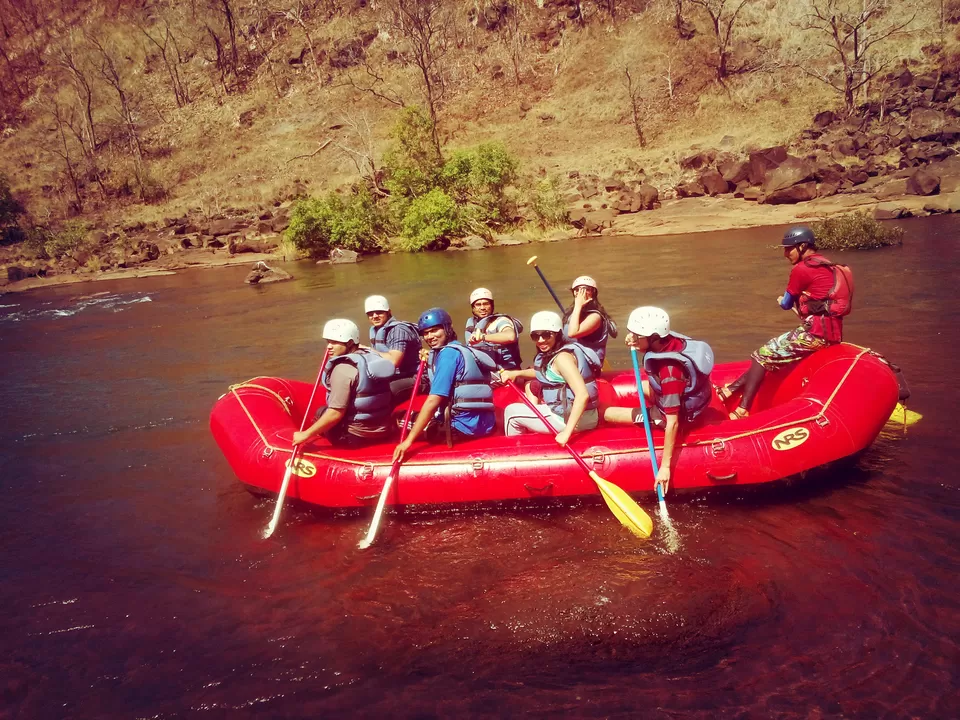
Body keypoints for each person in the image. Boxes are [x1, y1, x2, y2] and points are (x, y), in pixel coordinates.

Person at [719, 226, 853, 420]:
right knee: (771, 355)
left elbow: (786, 304)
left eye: (788, 248)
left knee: (761, 356)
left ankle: (742, 409)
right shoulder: (828, 264)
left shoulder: (802, 269)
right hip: (832, 334)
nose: (785, 254)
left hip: (814, 334)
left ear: (803, 246)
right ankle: (730, 390)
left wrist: (783, 300)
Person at [603, 307, 714, 496]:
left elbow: (672, 423)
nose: (632, 337)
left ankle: (649, 416)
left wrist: (665, 468)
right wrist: (636, 341)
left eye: (637, 335)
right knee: (642, 388)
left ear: (653, 337)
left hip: (675, 416)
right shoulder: (669, 339)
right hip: (683, 396)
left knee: (607, 414)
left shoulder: (669, 372)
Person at [392, 308, 497, 462]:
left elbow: (434, 399)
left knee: (397, 418)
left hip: (457, 429)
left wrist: (408, 442)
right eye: (425, 333)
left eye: (434, 330)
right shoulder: (462, 349)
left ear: (447, 328)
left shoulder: (447, 355)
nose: (430, 336)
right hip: (484, 426)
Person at [499, 310, 601, 445]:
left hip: (572, 420)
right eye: (536, 336)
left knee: (511, 412)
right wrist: (516, 373)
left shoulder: (563, 359)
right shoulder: (556, 354)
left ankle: (517, 455)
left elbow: (582, 395)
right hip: (570, 414)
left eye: (546, 335)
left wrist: (566, 433)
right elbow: (546, 373)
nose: (541, 340)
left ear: (558, 334)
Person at [292, 319, 396, 448]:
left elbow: (336, 413)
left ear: (350, 343)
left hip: (355, 438)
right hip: (383, 431)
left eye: (334, 342)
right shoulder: (374, 357)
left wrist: (305, 435)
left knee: (321, 412)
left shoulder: (342, 369)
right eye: (328, 342)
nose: (329, 346)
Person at [364, 294, 423, 401]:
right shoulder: (376, 330)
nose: (375, 316)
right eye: (370, 314)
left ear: (388, 312)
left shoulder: (398, 330)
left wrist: (368, 350)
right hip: (396, 376)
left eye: (379, 312)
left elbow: (394, 361)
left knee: (384, 391)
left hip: (415, 376)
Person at [562, 275, 617, 366]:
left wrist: (578, 305)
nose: (581, 293)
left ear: (593, 293)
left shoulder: (595, 316)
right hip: (573, 357)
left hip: (589, 363)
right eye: (577, 290)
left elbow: (572, 333)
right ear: (574, 293)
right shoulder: (572, 314)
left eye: (586, 289)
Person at [464, 287, 524, 370]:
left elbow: (510, 336)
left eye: (486, 304)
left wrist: (483, 337)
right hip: (483, 370)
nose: (482, 308)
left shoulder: (501, 321)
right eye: (478, 305)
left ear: (492, 305)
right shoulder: (472, 323)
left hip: (506, 371)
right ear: (473, 308)